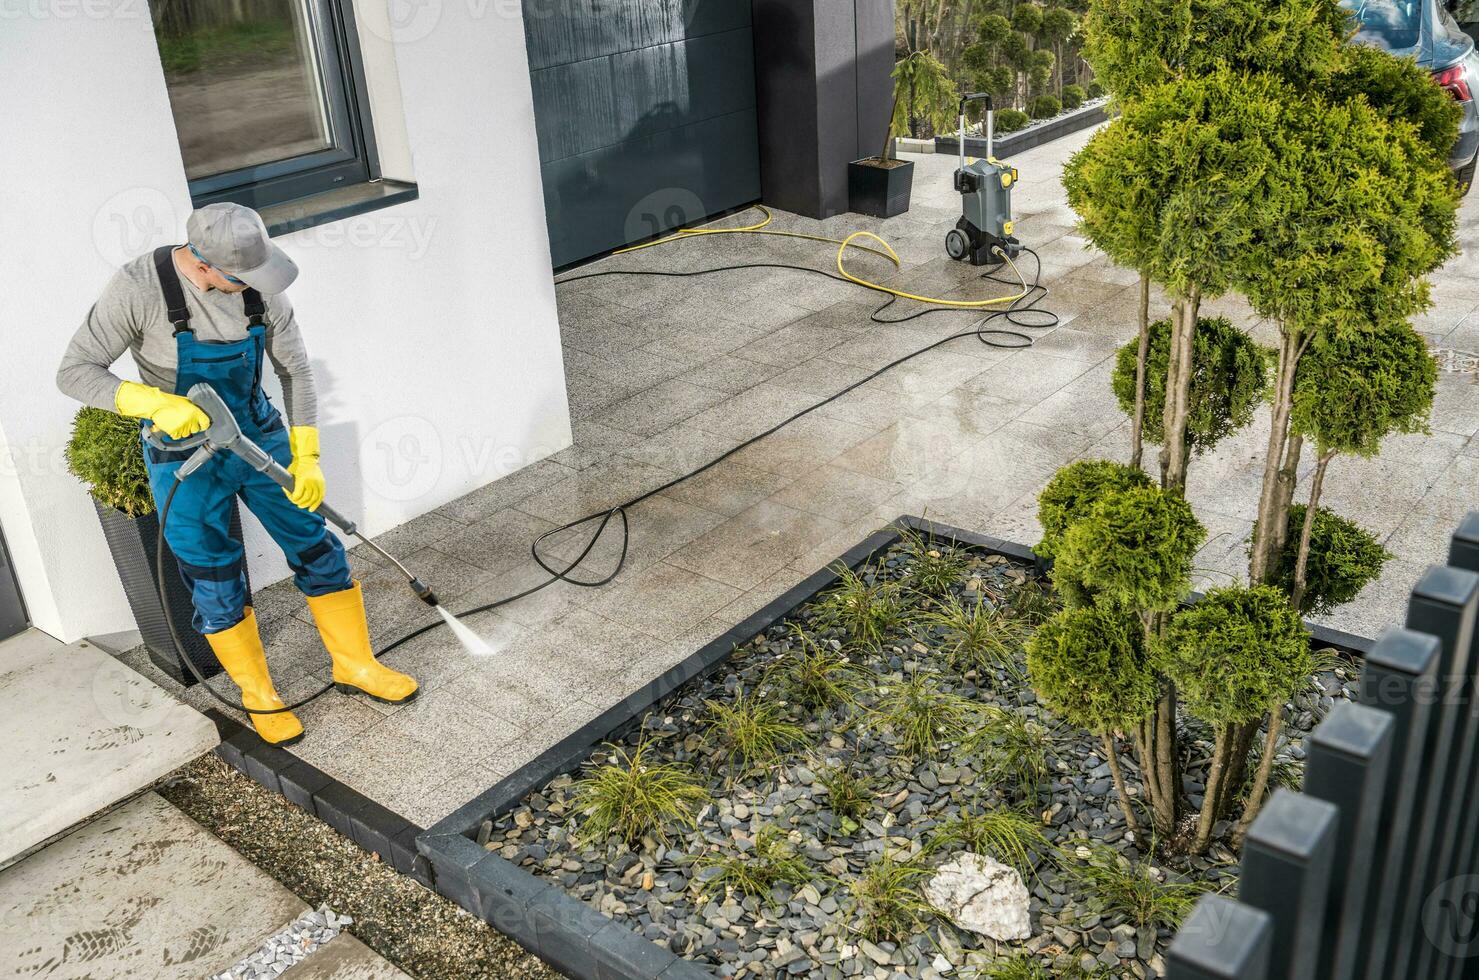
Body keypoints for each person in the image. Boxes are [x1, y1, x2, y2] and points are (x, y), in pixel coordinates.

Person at [58, 202, 417, 745]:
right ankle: (259, 696)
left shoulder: (261, 282)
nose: (256, 284)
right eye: (239, 277)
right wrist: (148, 401)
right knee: (214, 578)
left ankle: (356, 666)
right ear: (202, 265)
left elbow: (295, 370)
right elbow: (74, 372)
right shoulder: (136, 288)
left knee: (317, 545)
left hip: (259, 435)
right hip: (184, 457)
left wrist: (309, 453)